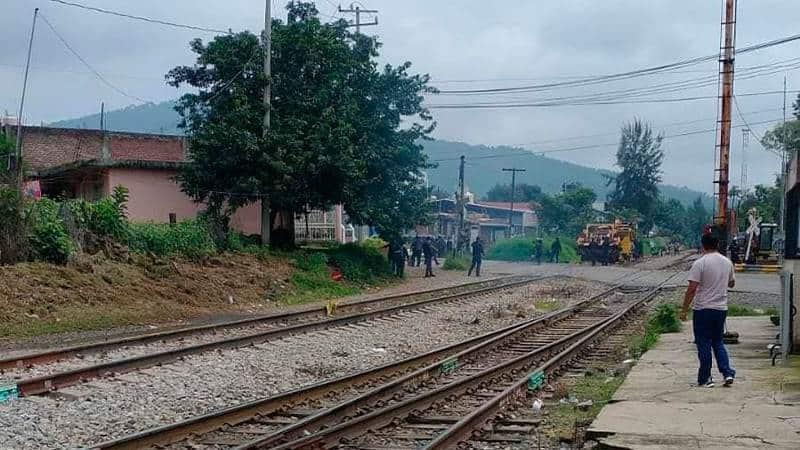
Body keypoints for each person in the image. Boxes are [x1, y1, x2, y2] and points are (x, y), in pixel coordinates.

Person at [680, 233, 736, 388]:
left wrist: (684, 310)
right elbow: (732, 283)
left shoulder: (700, 263)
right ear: (717, 244)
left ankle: (705, 378)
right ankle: (727, 374)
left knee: (703, 343)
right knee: (718, 342)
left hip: (703, 309)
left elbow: (692, 289)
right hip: (720, 309)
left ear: (703, 245)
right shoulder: (727, 262)